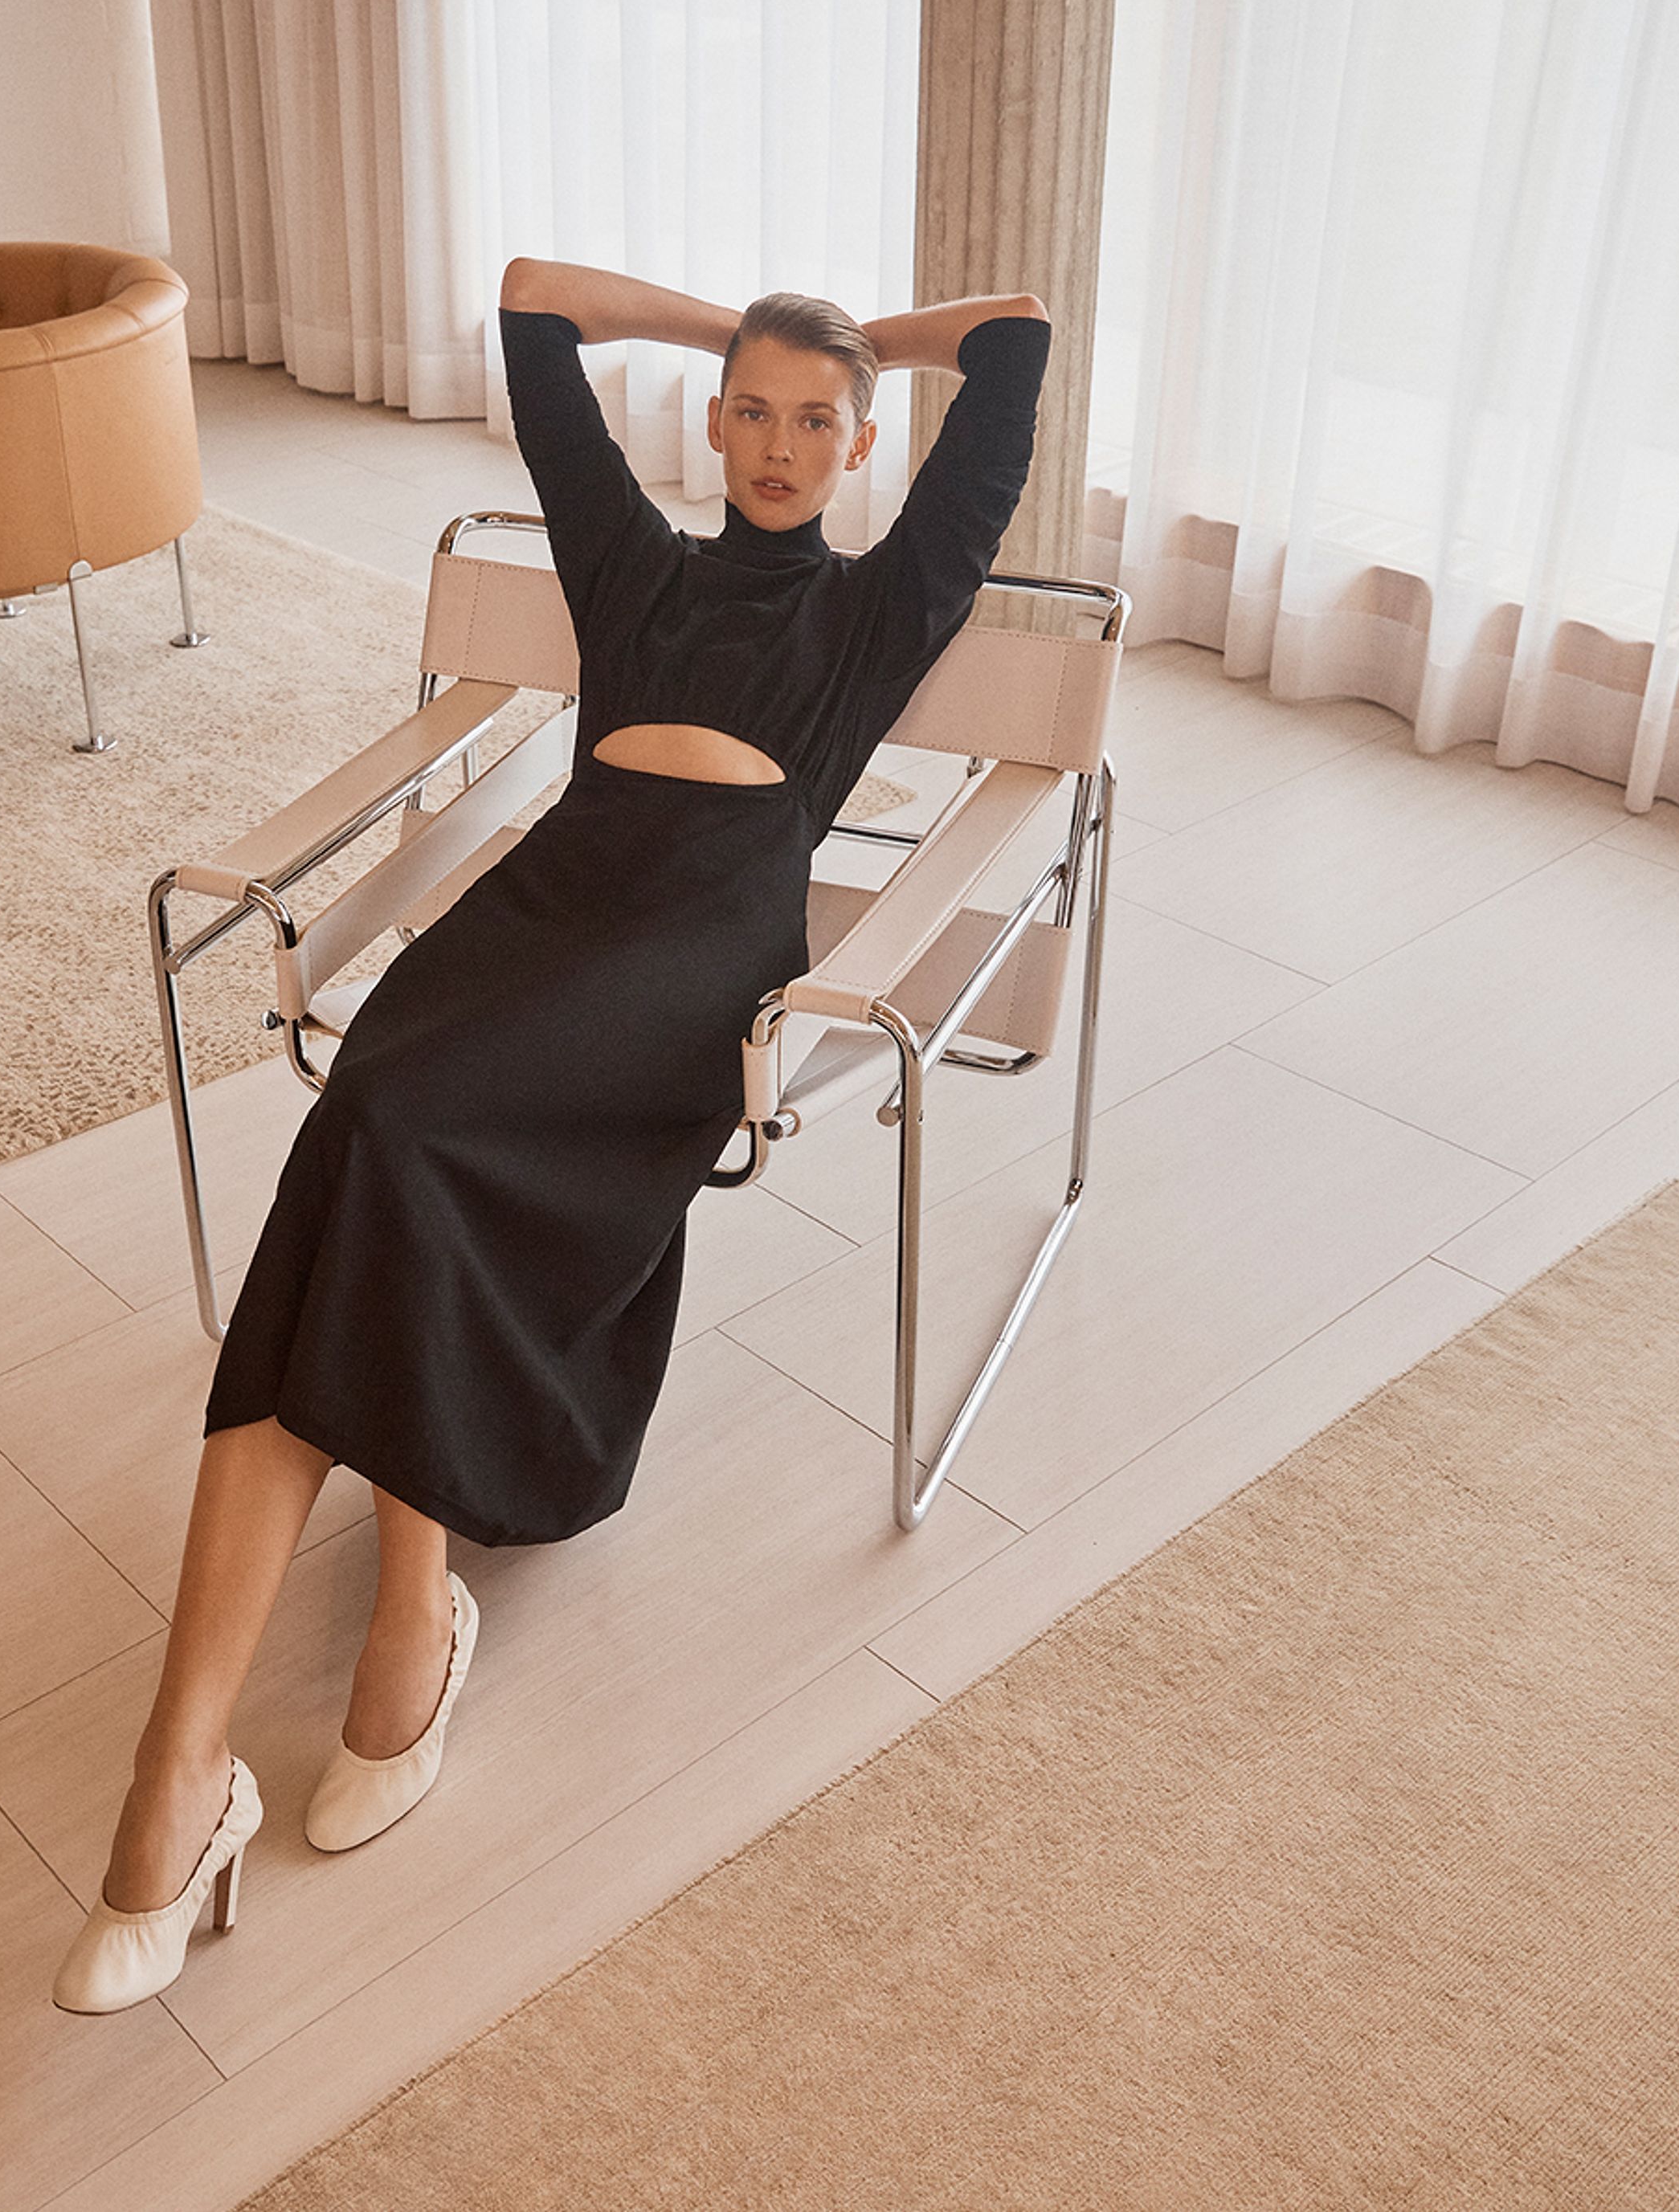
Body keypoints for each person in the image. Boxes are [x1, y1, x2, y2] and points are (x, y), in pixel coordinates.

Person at [51, 257, 1051, 2014]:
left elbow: (1015, 338)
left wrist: (839, 338)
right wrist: (733, 319)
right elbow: (528, 311)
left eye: (816, 423)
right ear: (710, 420)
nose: (775, 445)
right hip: (551, 899)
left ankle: (325, 1679)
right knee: (376, 1109)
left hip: (694, 946)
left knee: (411, 1137)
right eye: (747, 410)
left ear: (862, 444)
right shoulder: (631, 560)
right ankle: (219, 1735)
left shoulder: (882, 607)